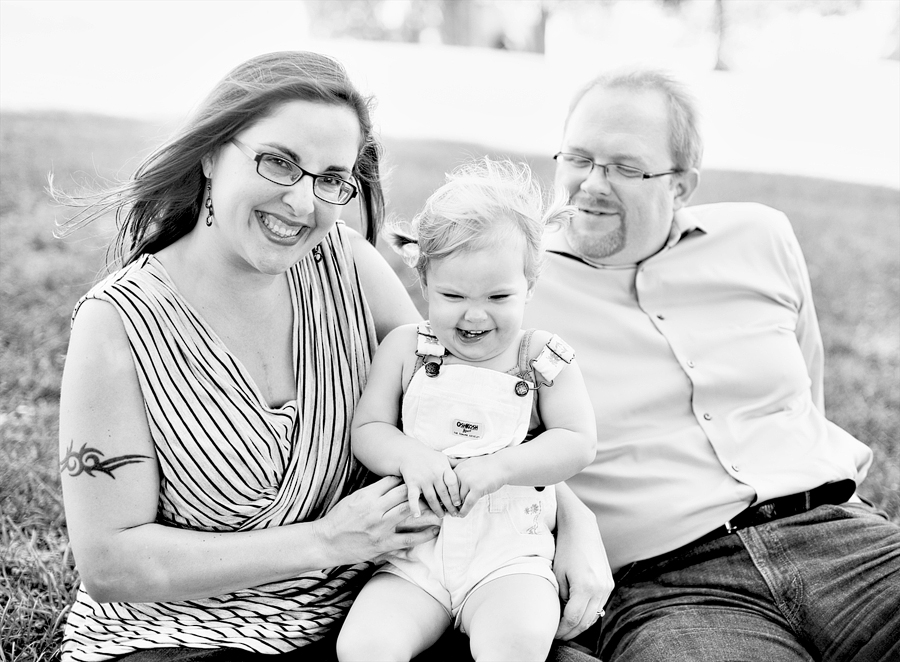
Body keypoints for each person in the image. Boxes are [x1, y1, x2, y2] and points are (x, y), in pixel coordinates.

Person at [55, 51, 609, 661]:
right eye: (278, 162)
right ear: (212, 153)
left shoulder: (345, 264)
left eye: (330, 179)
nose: (301, 202)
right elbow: (111, 562)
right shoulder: (117, 323)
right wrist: (324, 542)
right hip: (186, 640)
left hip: (367, 612)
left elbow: (457, 402)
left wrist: (574, 522)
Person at [524, 67, 900, 662]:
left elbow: (807, 396)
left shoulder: (762, 236)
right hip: (672, 588)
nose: (591, 185)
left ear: (680, 185)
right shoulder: (516, 290)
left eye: (625, 167)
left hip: (842, 541)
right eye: (578, 158)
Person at [335, 159, 598, 662]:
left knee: (516, 641)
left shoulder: (541, 358)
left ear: (531, 286)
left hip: (509, 557)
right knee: (365, 646)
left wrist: (499, 467)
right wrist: (409, 456)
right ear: (424, 280)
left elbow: (576, 442)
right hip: (416, 556)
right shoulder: (407, 348)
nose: (474, 315)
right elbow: (368, 429)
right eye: (452, 295)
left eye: (499, 296)